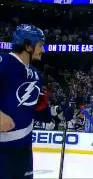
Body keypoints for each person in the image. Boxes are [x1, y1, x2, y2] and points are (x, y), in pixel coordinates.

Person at [0, 24, 64, 179]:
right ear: (28, 46)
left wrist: (55, 112)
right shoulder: (3, 63)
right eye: (40, 45)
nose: (43, 50)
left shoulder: (36, 75)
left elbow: (36, 108)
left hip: (24, 149)